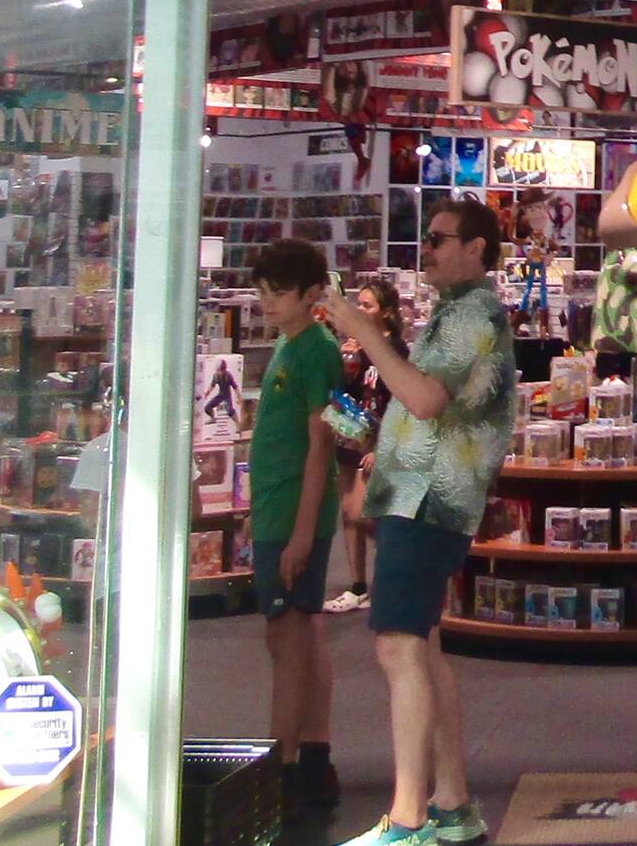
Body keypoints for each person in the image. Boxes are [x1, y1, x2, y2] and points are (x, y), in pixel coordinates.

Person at [324, 199, 517, 846]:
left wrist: (363, 329)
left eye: (439, 239)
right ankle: (451, 802)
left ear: (478, 249)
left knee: (399, 644)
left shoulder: (472, 314)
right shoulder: (458, 312)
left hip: (430, 498)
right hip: (420, 494)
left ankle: (408, 818)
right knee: (421, 646)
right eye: (427, 238)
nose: (427, 248)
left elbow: (427, 398)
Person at [247, 239, 345, 813]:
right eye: (262, 291)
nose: (267, 302)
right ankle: (311, 758)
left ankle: (284, 769)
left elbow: (322, 442)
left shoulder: (314, 349)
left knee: (288, 638)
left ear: (312, 295)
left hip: (291, 515)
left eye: (278, 292)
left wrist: (304, 532)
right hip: (278, 510)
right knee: (298, 636)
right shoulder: (295, 345)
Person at [326, 278, 406, 615]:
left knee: (363, 513)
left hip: (377, 440)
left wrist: (383, 447)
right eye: (358, 304)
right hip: (350, 433)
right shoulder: (355, 347)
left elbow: (400, 402)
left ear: (386, 312)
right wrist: (346, 363)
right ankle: (357, 585)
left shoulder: (394, 350)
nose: (361, 310)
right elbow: (346, 390)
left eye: (368, 305)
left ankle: (396, 567)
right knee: (347, 513)